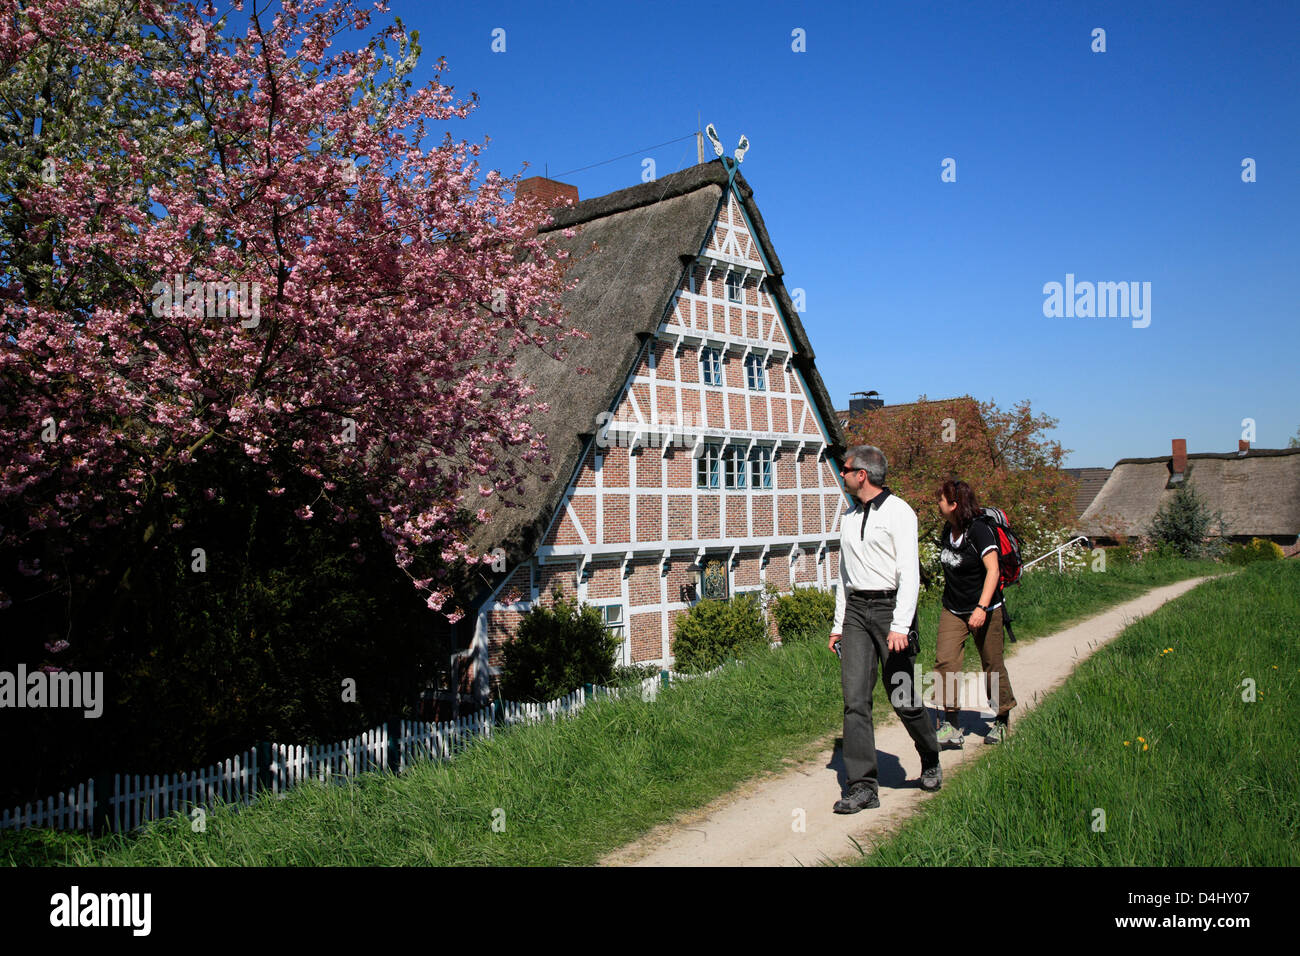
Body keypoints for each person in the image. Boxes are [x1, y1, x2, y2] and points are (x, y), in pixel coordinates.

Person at [828, 446, 941, 813]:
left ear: (862, 475)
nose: (841, 474)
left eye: (845, 469)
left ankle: (930, 757)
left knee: (902, 697)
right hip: (857, 612)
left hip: (891, 609)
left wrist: (900, 625)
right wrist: (838, 625)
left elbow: (911, 573)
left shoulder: (899, 513)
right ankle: (862, 787)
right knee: (855, 699)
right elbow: (844, 576)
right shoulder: (848, 516)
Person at [934, 479, 1018, 746]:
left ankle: (1002, 718)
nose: (938, 504)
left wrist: (981, 608)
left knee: (992, 665)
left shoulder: (979, 531)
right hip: (953, 608)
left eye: (941, 500)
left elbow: (993, 570)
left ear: (954, 504)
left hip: (986, 608)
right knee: (945, 662)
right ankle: (951, 724)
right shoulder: (948, 529)